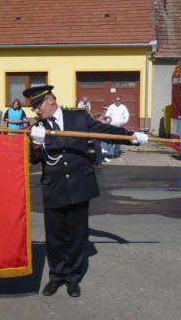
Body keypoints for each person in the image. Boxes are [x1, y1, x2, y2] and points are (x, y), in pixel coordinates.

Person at [23, 85, 148, 298]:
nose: (35, 110)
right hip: (53, 187)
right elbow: (34, 159)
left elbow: (105, 131)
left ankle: (72, 278)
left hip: (79, 185)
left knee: (77, 235)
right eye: (33, 107)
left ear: (50, 99)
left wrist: (131, 136)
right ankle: (56, 277)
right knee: (54, 237)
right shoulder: (38, 128)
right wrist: (36, 143)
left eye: (37, 105)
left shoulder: (78, 118)